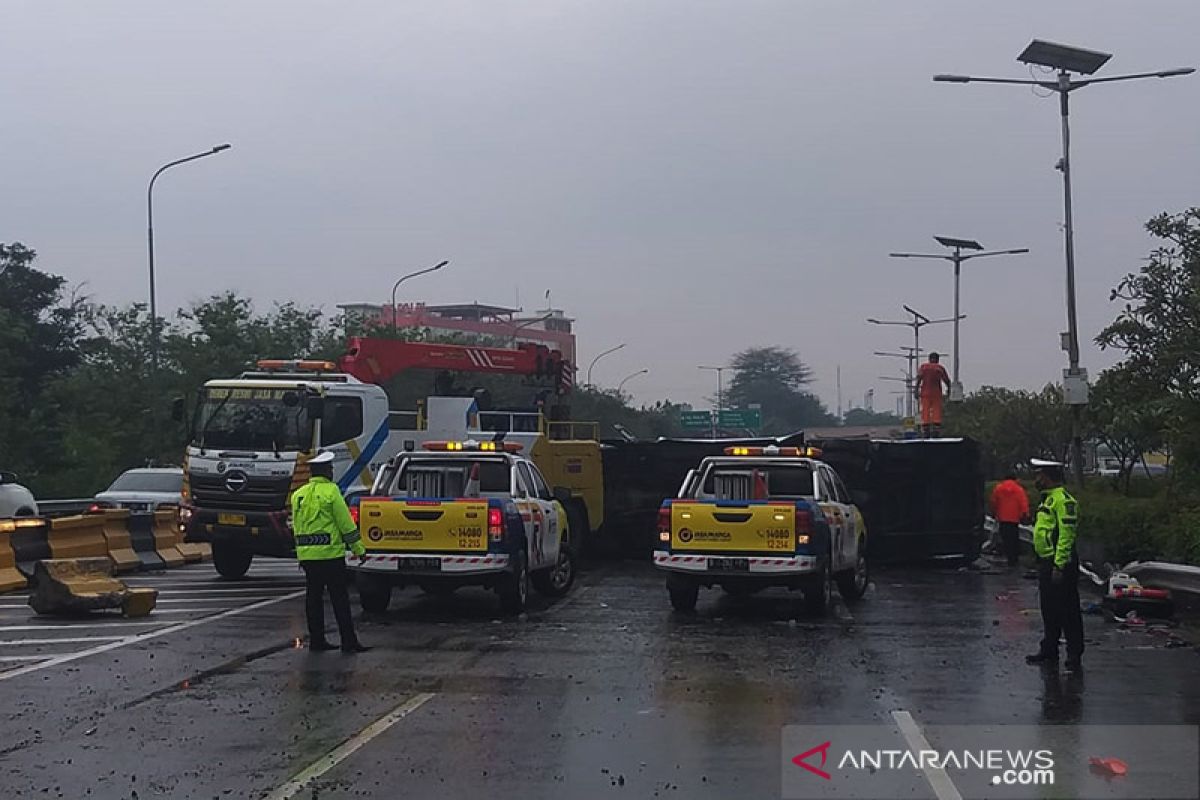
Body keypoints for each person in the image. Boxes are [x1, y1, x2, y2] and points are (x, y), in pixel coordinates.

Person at [291, 450, 370, 653]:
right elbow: (346, 525)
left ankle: (316, 641)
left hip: (308, 557)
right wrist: (359, 549)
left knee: (313, 599)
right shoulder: (331, 492)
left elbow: (297, 526)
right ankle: (349, 641)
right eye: (331, 468)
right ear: (326, 471)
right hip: (330, 556)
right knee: (339, 599)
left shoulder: (298, 496)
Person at [1025, 459, 1082, 673]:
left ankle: (1074, 654)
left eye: (1039, 475)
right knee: (1049, 610)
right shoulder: (1047, 499)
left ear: (1048, 476)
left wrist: (1059, 565)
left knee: (1068, 610)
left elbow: (1066, 536)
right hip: (1047, 561)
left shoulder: (1064, 501)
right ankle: (1049, 649)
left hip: (1061, 563)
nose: (1036, 479)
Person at [991, 473, 1030, 567]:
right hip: (1014, 519)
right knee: (1014, 539)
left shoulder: (998, 488)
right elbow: (1023, 503)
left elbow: (993, 502)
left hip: (1002, 518)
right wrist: (1025, 514)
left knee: (1005, 538)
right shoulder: (1019, 489)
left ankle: (1009, 557)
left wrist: (994, 513)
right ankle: (1014, 559)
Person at [915, 352, 951, 438]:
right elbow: (947, 380)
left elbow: (919, 379)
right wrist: (949, 390)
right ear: (937, 360)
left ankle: (926, 430)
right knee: (936, 411)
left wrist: (916, 391)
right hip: (936, 393)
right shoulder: (939, 368)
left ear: (929, 359)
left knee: (925, 411)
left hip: (925, 393)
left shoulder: (923, 367)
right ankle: (936, 430)